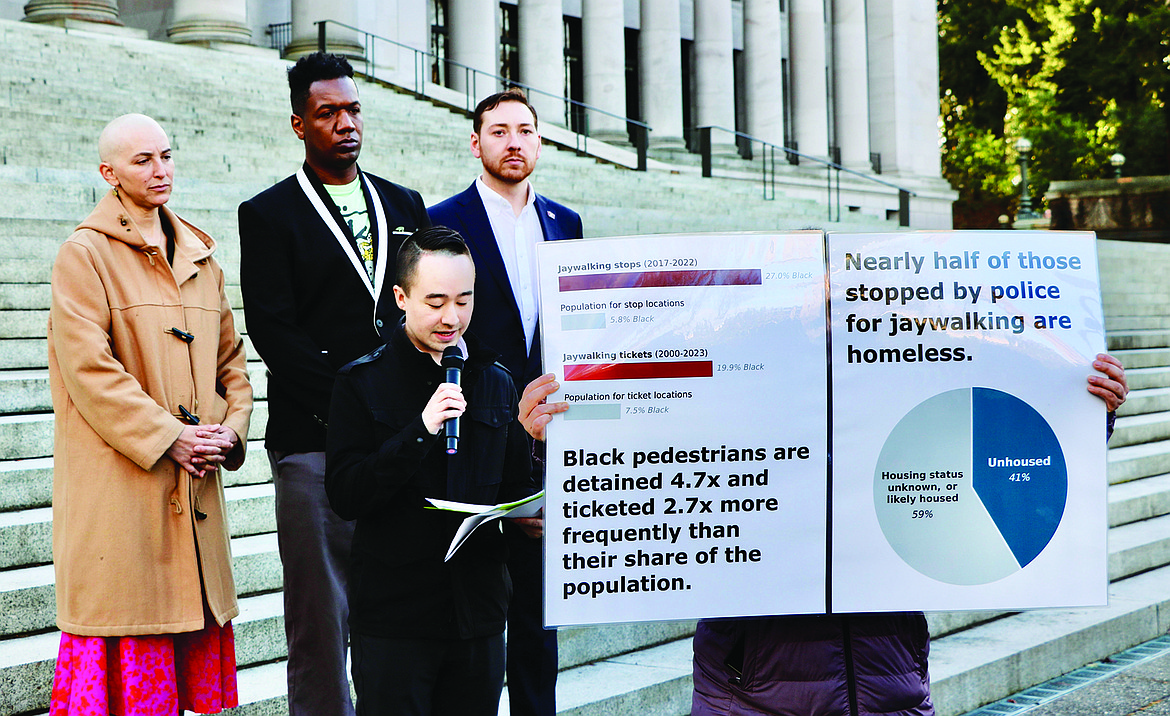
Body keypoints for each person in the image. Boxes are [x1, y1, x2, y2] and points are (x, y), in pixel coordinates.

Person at [519, 355, 1130, 716]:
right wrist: (558, 444)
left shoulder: (892, 404)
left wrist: (1077, 414)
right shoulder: (739, 399)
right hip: (755, 689)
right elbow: (640, 460)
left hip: (886, 680)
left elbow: (993, 465)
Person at [237, 52, 430, 716]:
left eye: (353, 110)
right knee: (321, 630)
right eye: (329, 113)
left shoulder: (406, 205)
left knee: (402, 625)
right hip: (314, 447)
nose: (346, 123)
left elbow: (429, 309)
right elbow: (275, 334)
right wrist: (360, 408)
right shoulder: (267, 214)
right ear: (300, 123)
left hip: (403, 448)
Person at [47, 113, 252, 715]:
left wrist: (228, 433)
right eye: (143, 160)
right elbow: (90, 371)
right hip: (125, 493)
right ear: (108, 173)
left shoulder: (201, 256)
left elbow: (232, 364)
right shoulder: (82, 255)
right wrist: (171, 437)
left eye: (166, 155)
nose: (160, 170)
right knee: (130, 657)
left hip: (196, 490)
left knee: (190, 672)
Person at [324, 227, 541, 716]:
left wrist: (530, 514)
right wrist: (420, 429)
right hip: (396, 619)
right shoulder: (362, 382)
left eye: (464, 301)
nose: (452, 318)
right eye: (436, 301)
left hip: (478, 616)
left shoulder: (494, 379)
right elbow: (345, 494)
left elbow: (514, 487)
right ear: (401, 297)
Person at [428, 88, 582, 716]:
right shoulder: (443, 219)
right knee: (477, 633)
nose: (513, 141)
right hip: (479, 443)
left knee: (538, 631)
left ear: (540, 141)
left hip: (549, 438)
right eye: (498, 131)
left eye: (525, 130)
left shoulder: (565, 224)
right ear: (476, 142)